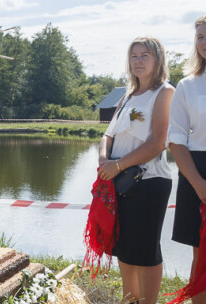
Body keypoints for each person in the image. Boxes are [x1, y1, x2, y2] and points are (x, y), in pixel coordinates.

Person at [97, 36, 175, 304]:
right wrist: (103, 161)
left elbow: (157, 143)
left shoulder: (164, 92)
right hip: (120, 181)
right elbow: (107, 134)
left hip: (150, 182)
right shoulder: (127, 95)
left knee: (145, 250)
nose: (138, 61)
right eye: (134, 56)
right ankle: (129, 300)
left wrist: (117, 164)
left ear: (158, 60)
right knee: (124, 248)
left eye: (145, 55)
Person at [167, 15, 206, 303]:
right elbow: (176, 140)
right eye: (200, 37)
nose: (204, 43)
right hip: (197, 172)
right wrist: (199, 185)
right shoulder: (187, 85)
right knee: (202, 257)